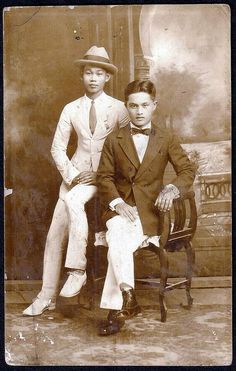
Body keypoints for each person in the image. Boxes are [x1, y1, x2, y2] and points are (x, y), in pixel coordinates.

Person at [23, 46, 129, 316]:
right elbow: (57, 148)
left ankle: (78, 270)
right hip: (77, 178)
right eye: (88, 73)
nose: (93, 78)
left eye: (99, 74)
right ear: (82, 76)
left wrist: (103, 173)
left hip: (107, 179)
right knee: (55, 232)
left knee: (77, 203)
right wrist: (72, 175)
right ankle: (47, 295)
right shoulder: (71, 108)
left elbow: (128, 151)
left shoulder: (119, 109)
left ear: (107, 78)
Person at [96, 79, 196, 335]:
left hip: (152, 212)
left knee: (116, 240)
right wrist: (117, 203)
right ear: (126, 107)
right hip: (122, 209)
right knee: (117, 229)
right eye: (132, 106)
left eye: (144, 105)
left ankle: (120, 306)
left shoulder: (166, 137)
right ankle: (127, 297)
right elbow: (104, 177)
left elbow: (186, 170)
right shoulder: (114, 139)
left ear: (154, 106)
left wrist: (172, 189)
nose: (139, 111)